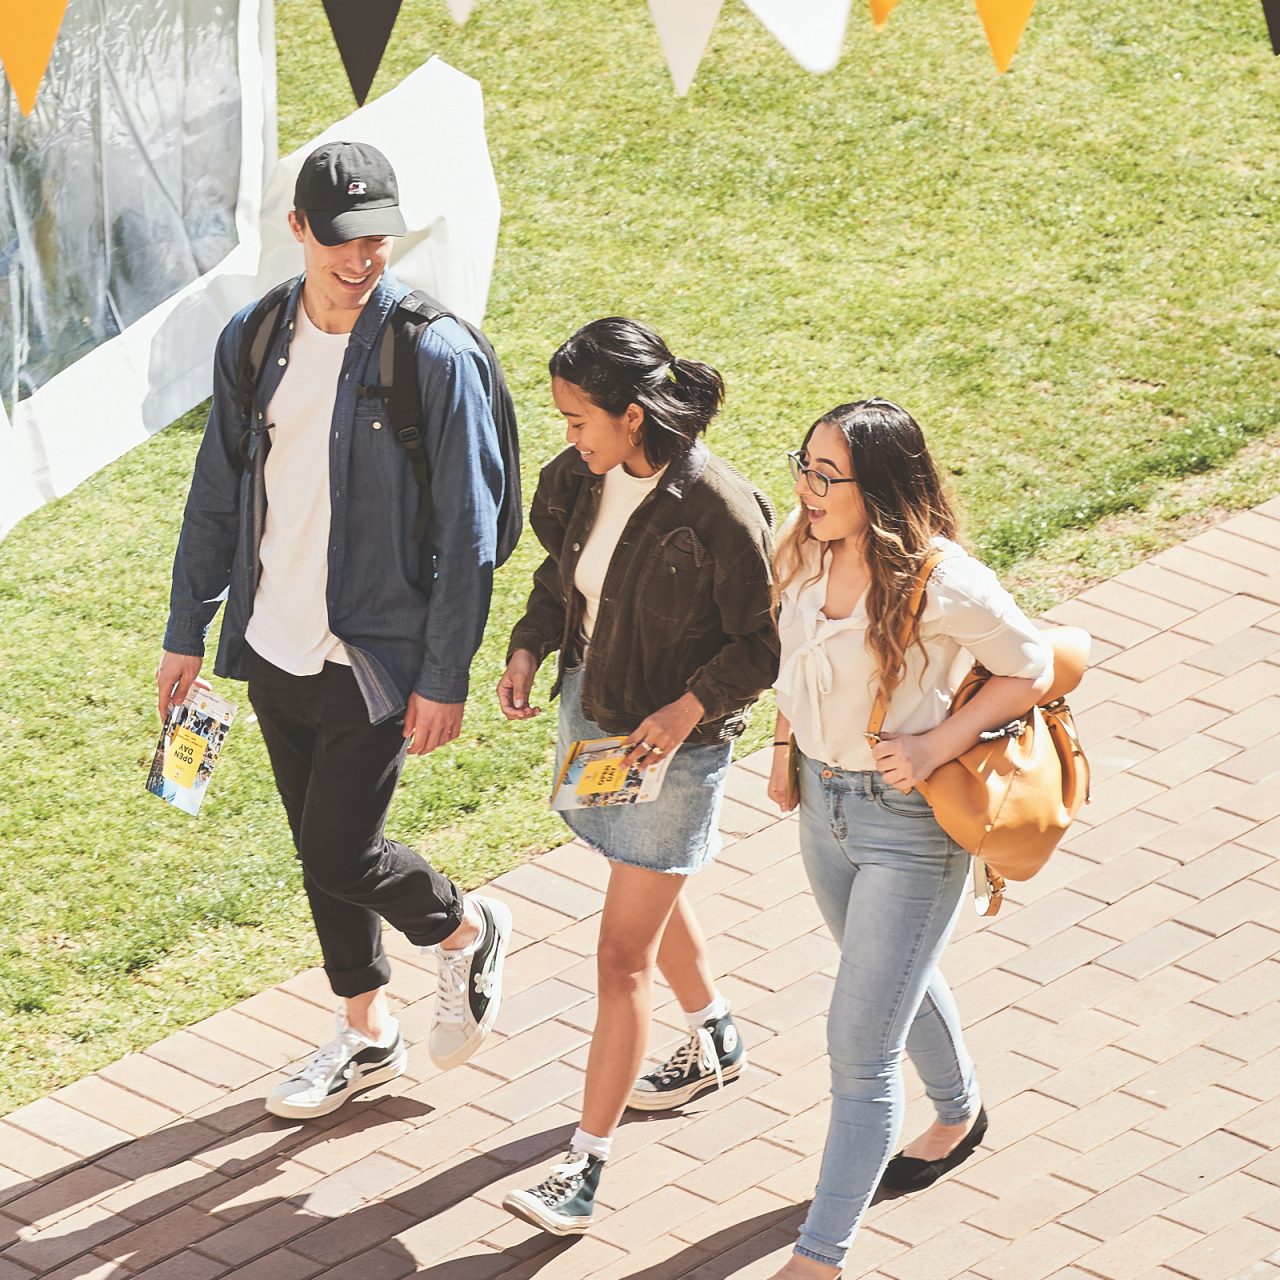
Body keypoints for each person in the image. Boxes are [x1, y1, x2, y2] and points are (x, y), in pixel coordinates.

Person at [156, 141, 512, 1120]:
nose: (363, 258)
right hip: (273, 642)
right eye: (342, 239)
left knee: (338, 849)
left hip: (377, 651)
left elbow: (470, 535)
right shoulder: (257, 334)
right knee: (318, 848)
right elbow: (217, 493)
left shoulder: (429, 353)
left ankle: (463, 928)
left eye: (379, 238)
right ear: (300, 231)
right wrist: (186, 628)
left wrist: (444, 674)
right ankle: (365, 1030)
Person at [496, 318, 778, 1235]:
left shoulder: (720, 508)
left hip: (673, 751)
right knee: (639, 889)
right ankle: (716, 1033)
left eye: (579, 418)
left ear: (631, 414)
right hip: (597, 716)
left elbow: (762, 645)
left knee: (621, 957)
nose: (568, 436)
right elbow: (564, 573)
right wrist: (531, 645)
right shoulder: (582, 478)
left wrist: (688, 709)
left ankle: (583, 1167)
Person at [766, 400, 1054, 1278]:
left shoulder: (944, 581)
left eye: (827, 476)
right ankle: (960, 1107)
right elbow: (794, 656)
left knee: (858, 1047)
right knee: (888, 971)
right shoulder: (803, 544)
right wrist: (786, 751)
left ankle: (820, 1257)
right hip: (824, 805)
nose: (808, 488)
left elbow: (1032, 666)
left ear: (880, 489)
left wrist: (938, 742)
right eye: (803, 466)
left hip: (911, 827)